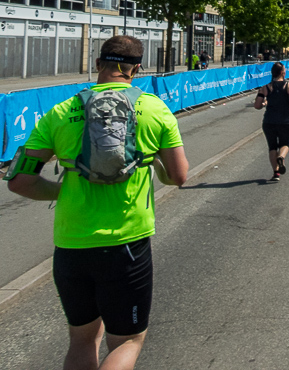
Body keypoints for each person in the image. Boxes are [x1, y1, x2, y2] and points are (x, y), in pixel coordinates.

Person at [6, 35, 188, 370]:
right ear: (136, 69)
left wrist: (61, 191)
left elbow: (19, 180)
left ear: (97, 65)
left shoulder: (60, 112)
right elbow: (179, 176)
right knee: (127, 341)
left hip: (72, 246)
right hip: (126, 246)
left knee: (81, 339)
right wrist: (152, 163)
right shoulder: (153, 108)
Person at [254, 62, 289, 182]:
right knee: (285, 143)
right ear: (282, 73)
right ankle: (281, 156)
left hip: (269, 121)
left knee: (272, 146)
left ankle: (276, 173)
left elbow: (257, 105)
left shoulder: (265, 87)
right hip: (285, 120)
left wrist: (265, 102)